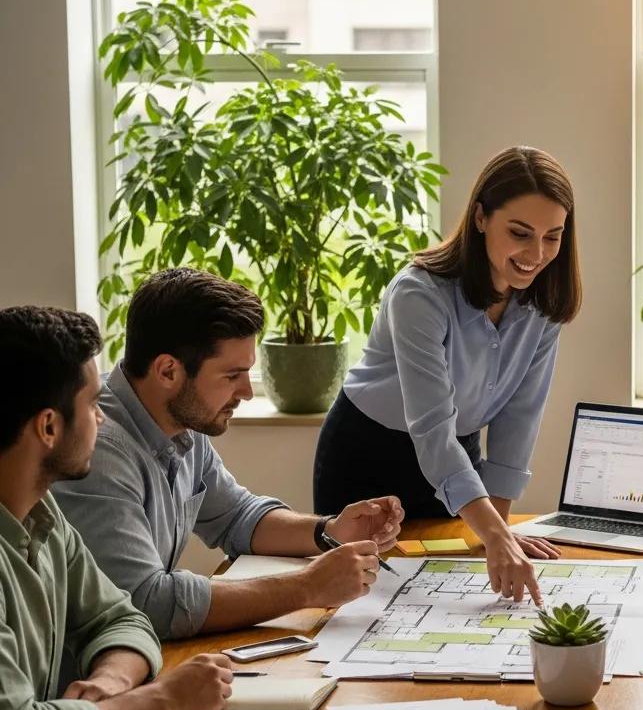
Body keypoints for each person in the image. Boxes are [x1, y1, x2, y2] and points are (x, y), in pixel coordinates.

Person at [52, 270, 403, 641]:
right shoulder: (98, 450)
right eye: (232, 375)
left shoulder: (180, 417)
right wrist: (307, 587)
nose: (247, 392)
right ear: (168, 370)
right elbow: (146, 603)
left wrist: (328, 531)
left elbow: (236, 517)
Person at [313, 145, 582, 604]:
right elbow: (432, 430)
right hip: (369, 455)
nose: (536, 254)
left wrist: (498, 534)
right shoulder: (418, 294)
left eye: (552, 237)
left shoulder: (542, 305)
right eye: (520, 233)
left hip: (458, 459)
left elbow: (520, 418)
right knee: (366, 611)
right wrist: (496, 536)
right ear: (480, 218)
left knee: (451, 595)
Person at [0, 306, 233, 710]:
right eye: (92, 404)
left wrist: (110, 683)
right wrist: (162, 700)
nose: (102, 418)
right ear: (48, 427)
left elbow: (120, 619)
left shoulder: (42, 515)